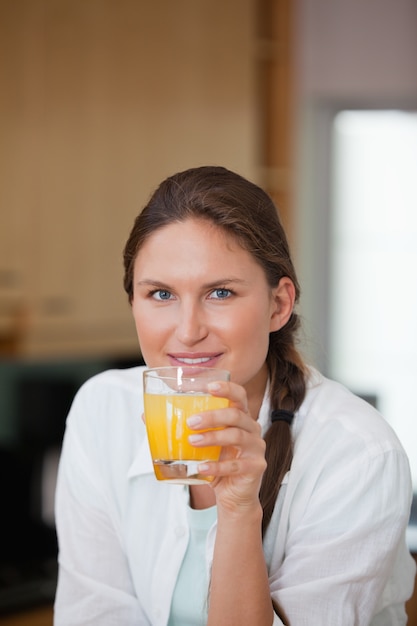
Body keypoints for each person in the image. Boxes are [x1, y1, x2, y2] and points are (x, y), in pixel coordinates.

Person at [54, 165, 416, 626]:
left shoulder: (359, 455)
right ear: (133, 304)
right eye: (161, 294)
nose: (188, 331)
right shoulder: (101, 411)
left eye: (220, 292)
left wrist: (240, 510)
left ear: (278, 304)